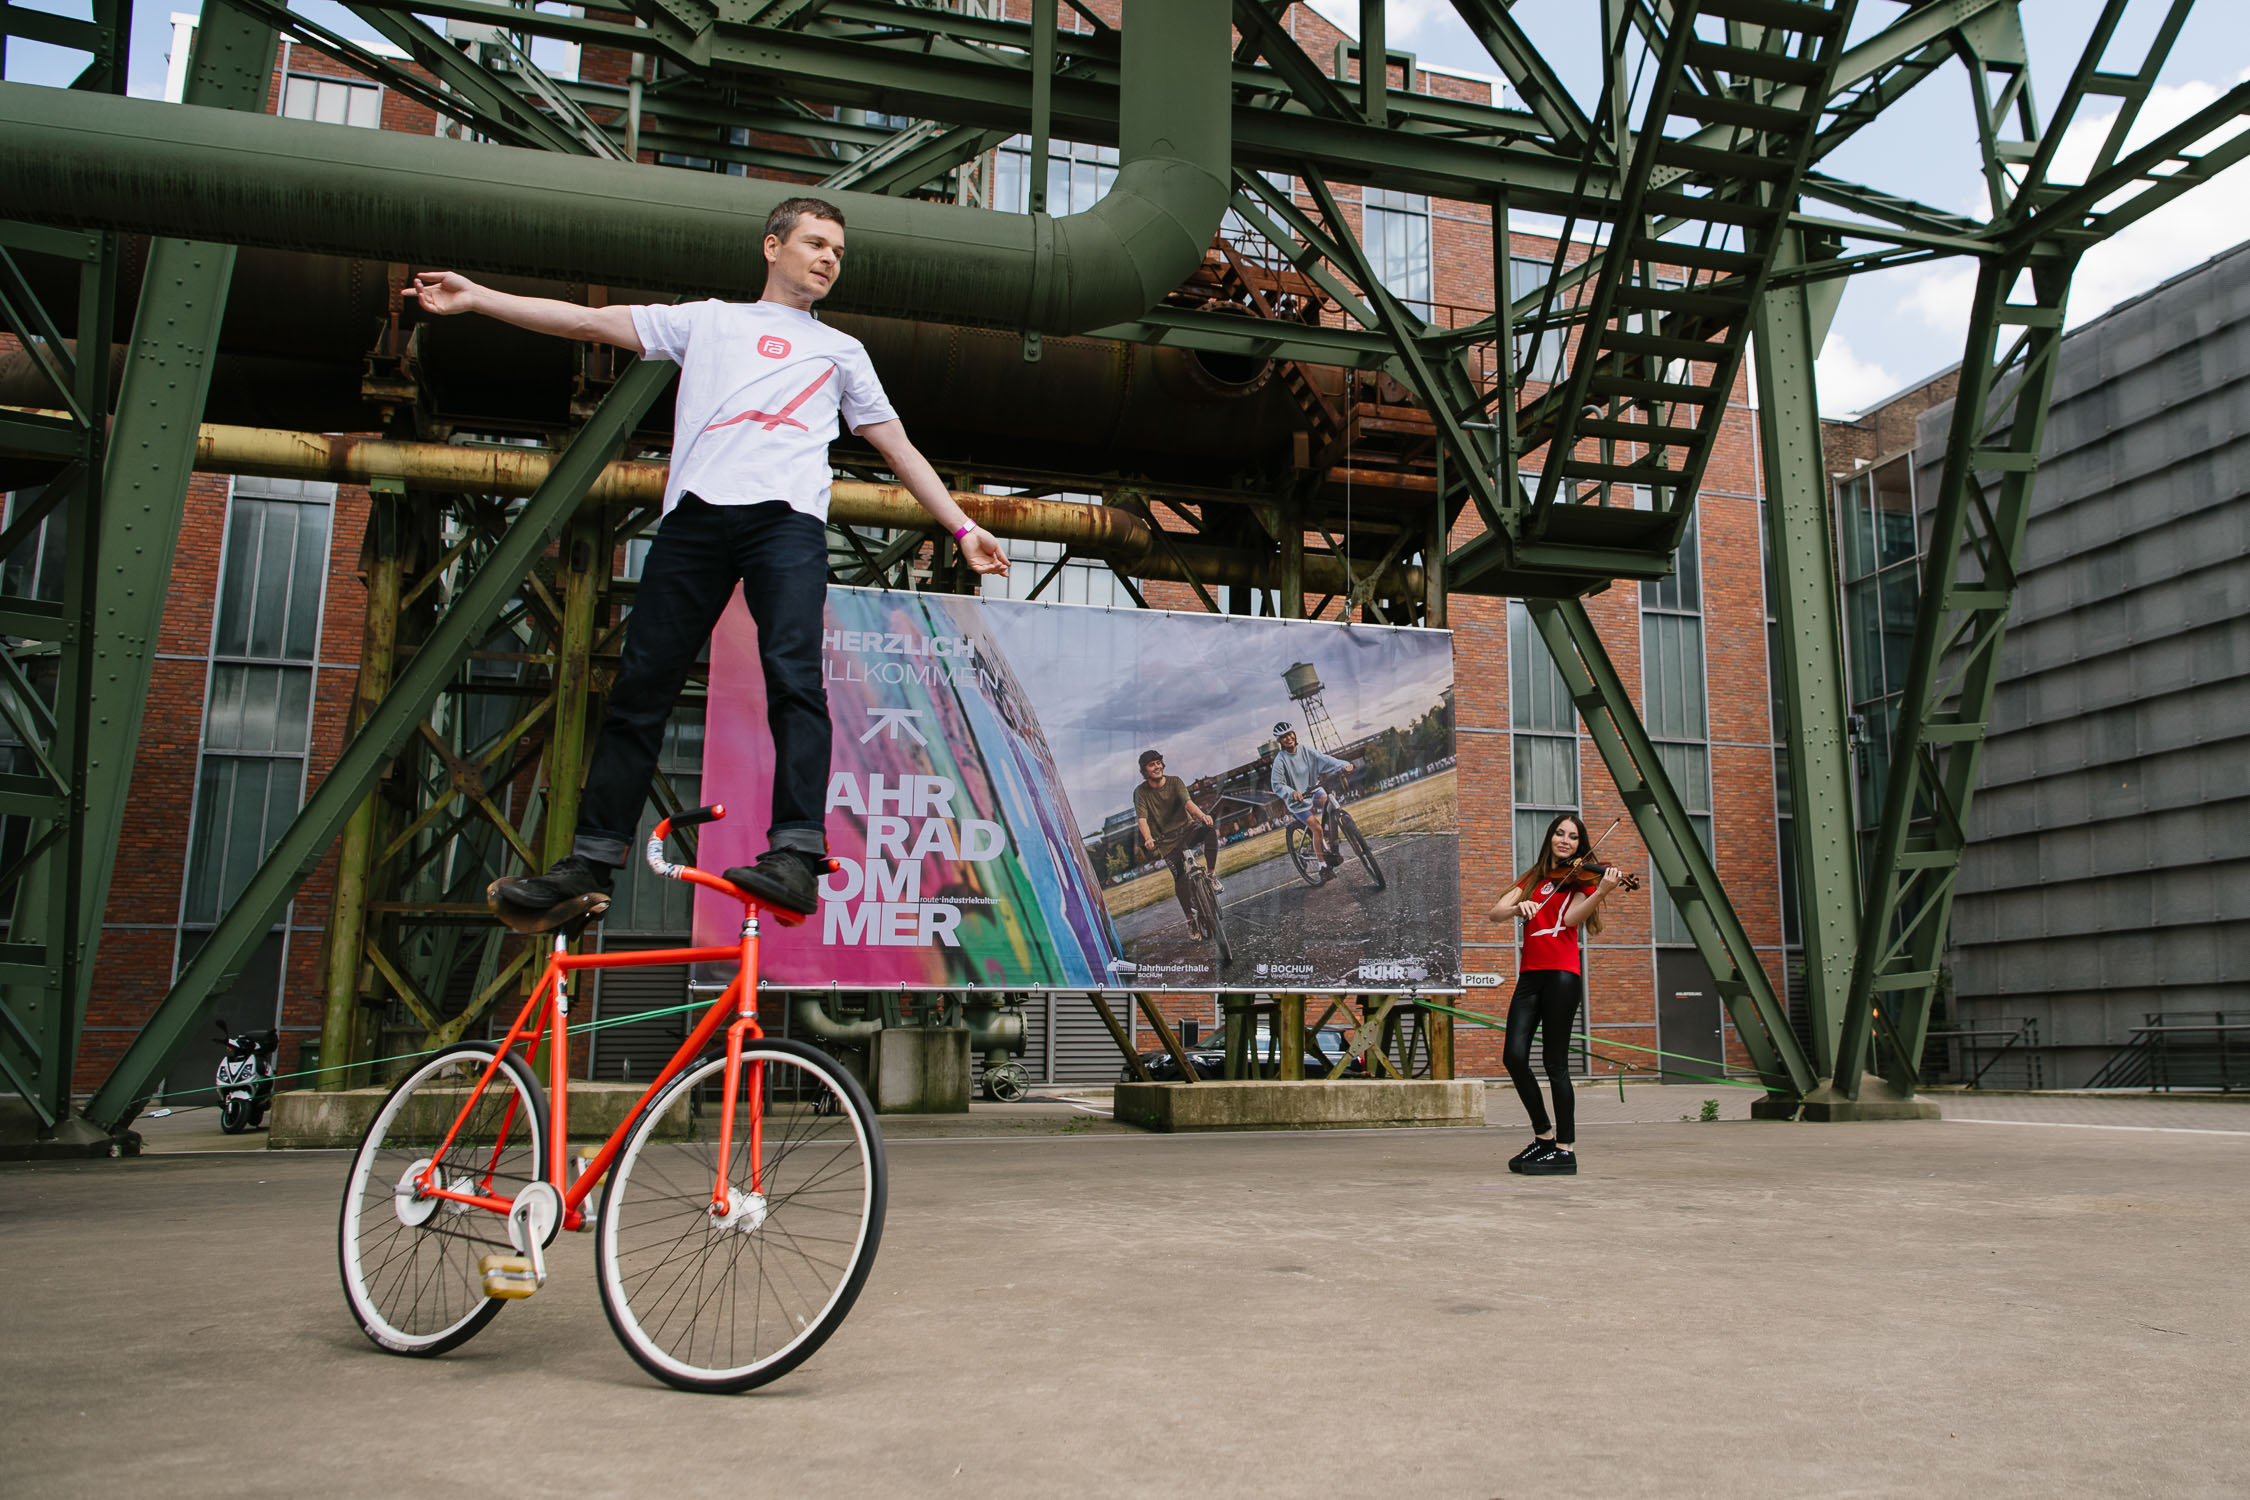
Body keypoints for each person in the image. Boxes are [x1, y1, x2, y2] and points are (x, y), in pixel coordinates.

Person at [403, 197, 1010, 928]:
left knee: (794, 680)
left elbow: (896, 446)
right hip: (695, 521)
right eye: (815, 243)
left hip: (785, 524)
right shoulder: (708, 320)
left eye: (838, 252)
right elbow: (588, 322)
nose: (828, 259)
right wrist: (477, 299)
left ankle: (793, 855)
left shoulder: (842, 351)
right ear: (771, 246)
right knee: (640, 690)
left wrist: (961, 525)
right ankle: (589, 863)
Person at [1485, 812, 1627, 1177]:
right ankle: (1544, 1137)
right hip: (1529, 978)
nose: (1566, 840)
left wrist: (1606, 889)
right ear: (1551, 837)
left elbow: (1571, 919)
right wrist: (1518, 906)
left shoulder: (1581, 878)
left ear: (1581, 844)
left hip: (1562, 976)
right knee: (1514, 1057)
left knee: (1555, 1064)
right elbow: (1495, 913)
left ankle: (1565, 1149)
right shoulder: (1534, 878)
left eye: (1574, 837)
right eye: (1560, 833)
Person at [1132, 750, 1221, 938]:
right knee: (1180, 878)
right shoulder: (1140, 792)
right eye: (1151, 764)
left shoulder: (1175, 782)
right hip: (1165, 841)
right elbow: (1142, 819)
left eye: (1158, 763)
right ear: (1144, 770)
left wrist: (1203, 816)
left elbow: (1188, 803)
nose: (1156, 767)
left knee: (1209, 830)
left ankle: (1211, 876)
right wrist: (1148, 838)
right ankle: (1191, 920)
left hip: (1187, 830)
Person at [1267, 721, 1350, 882]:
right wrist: (1291, 793)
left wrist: (1343, 765)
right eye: (1283, 737)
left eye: (1290, 734)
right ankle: (1323, 867)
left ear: (1294, 734)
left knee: (1329, 802)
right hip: (1297, 801)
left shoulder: (1305, 750)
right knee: (1316, 829)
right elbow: (1277, 785)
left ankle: (1330, 838)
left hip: (1313, 790)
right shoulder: (1280, 760)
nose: (1288, 738)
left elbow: (1324, 759)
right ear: (1280, 741)